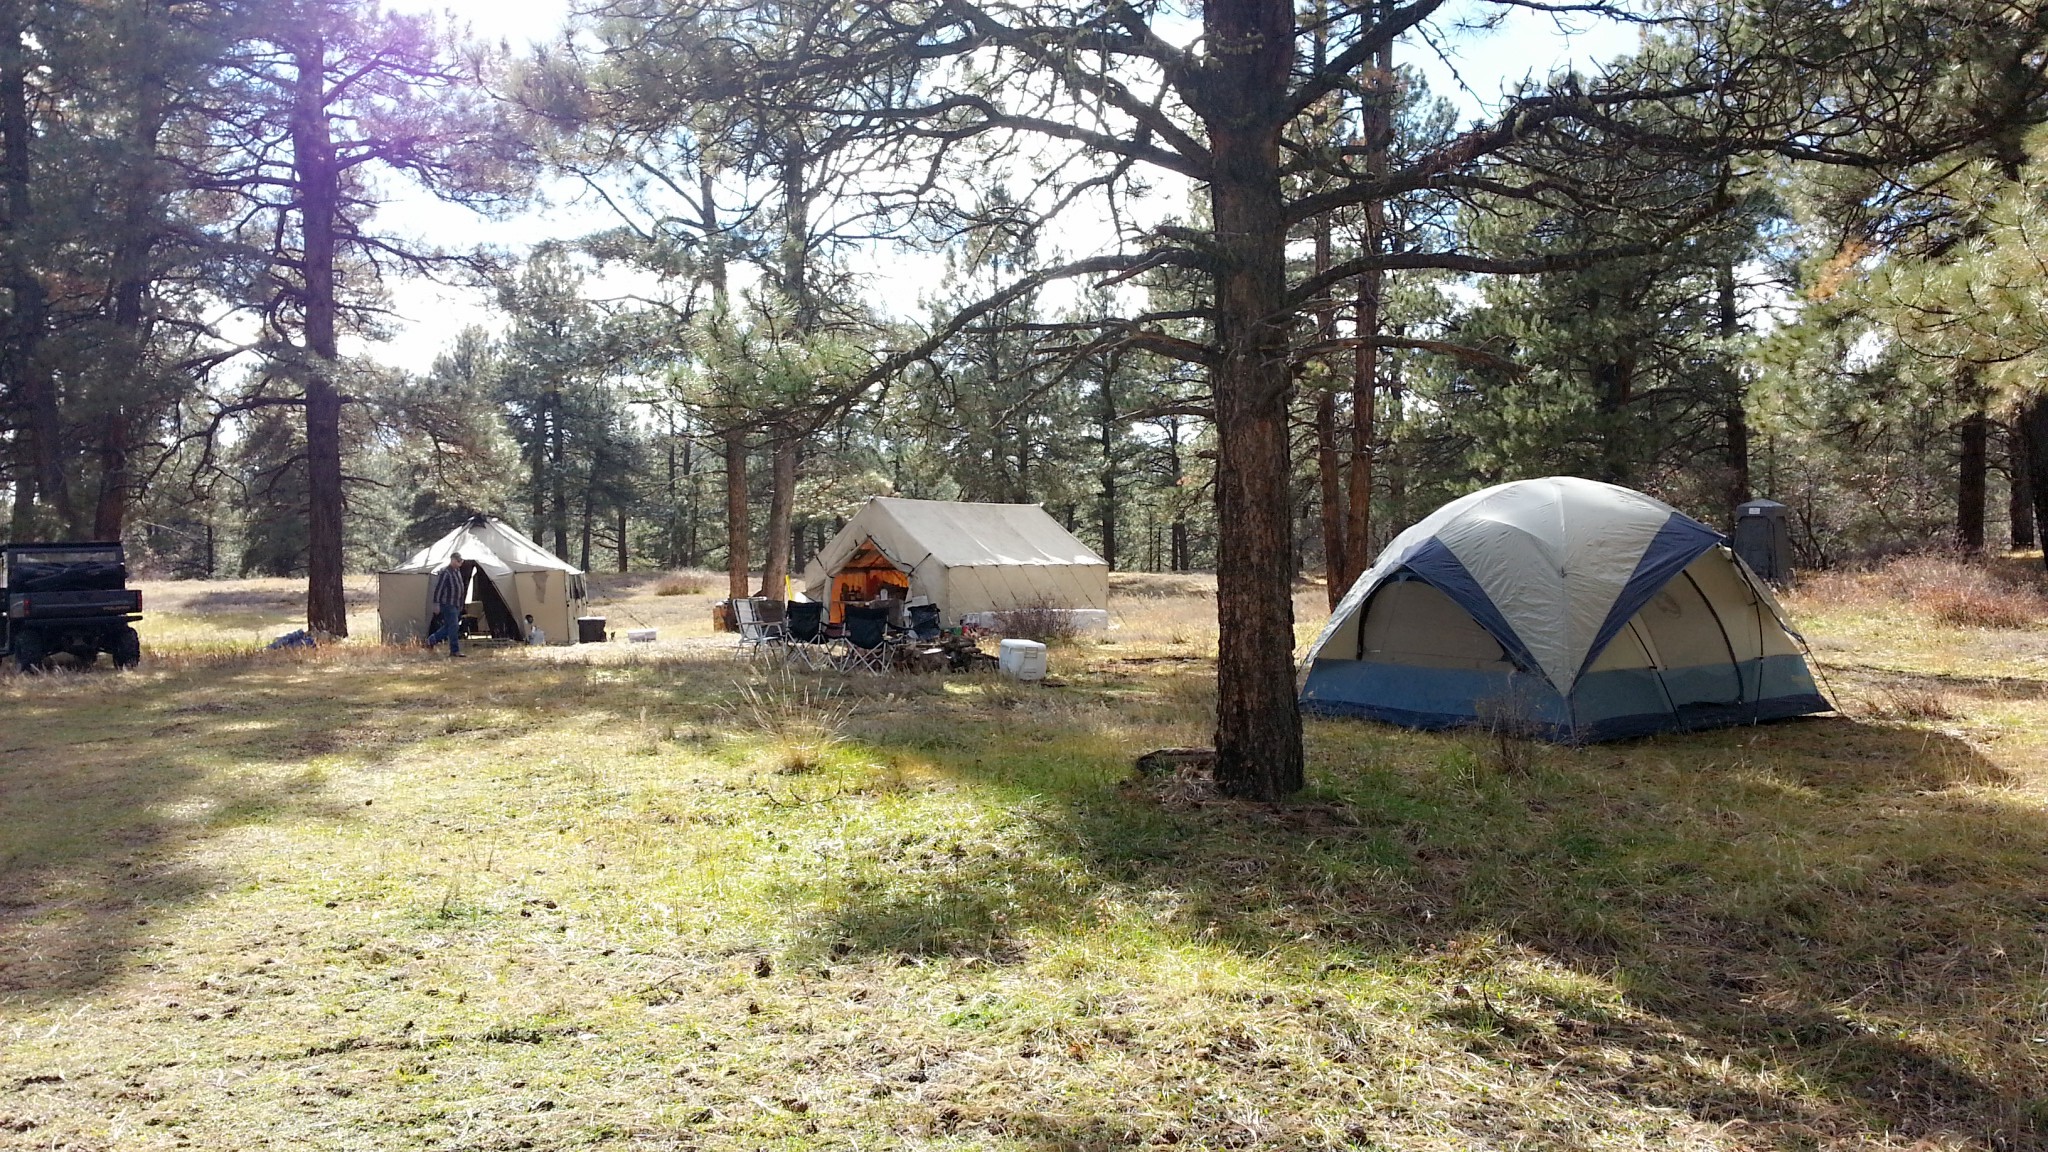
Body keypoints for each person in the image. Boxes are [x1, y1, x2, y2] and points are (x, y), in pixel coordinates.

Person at [424, 554, 467, 657]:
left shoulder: (457, 572)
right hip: (448, 604)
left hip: (456, 604)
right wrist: (436, 604)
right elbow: (439, 589)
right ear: (452, 560)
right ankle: (454, 650)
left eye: (461, 561)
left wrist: (461, 604)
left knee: (449, 627)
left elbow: (460, 588)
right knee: (454, 626)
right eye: (458, 561)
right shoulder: (445, 572)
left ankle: (431, 641)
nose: (460, 563)